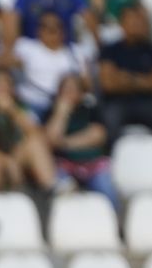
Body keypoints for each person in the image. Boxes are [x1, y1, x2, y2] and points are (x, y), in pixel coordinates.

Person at [98, 3, 152, 147]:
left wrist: (128, 80)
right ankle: (111, 161)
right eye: (133, 19)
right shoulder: (110, 49)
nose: (138, 24)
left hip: (150, 103)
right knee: (110, 117)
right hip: (119, 102)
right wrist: (146, 82)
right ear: (122, 23)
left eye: (140, 20)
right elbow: (109, 84)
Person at [0, 67, 56, 195]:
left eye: (6, 83)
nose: (2, 87)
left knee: (35, 144)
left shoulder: (21, 108)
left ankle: (51, 192)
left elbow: (39, 136)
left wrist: (12, 111)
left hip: (18, 159)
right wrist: (7, 162)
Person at [44, 73, 118, 207]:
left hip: (93, 164)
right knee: (60, 189)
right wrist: (61, 114)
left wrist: (64, 143)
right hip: (65, 165)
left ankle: (116, 222)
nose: (68, 93)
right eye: (65, 90)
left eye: (73, 89)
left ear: (81, 93)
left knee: (106, 188)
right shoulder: (52, 112)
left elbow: (98, 135)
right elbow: (50, 141)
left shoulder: (90, 109)